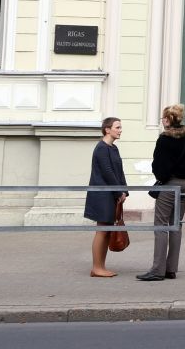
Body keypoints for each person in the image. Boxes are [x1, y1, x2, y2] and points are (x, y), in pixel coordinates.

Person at [137, 104, 185, 281]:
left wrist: (163, 177)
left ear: (167, 120)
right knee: (176, 224)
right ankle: (171, 268)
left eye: (162, 118)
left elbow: (159, 167)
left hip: (170, 185)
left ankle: (157, 270)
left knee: (161, 225)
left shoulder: (164, 140)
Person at [84, 117, 128, 278]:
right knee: (102, 230)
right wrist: (119, 192)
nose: (120, 130)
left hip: (112, 194)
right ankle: (96, 267)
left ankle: (100, 267)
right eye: (117, 127)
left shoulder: (113, 149)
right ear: (107, 130)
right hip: (102, 195)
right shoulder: (101, 148)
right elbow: (107, 172)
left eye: (120, 127)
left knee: (107, 230)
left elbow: (119, 172)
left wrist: (124, 191)